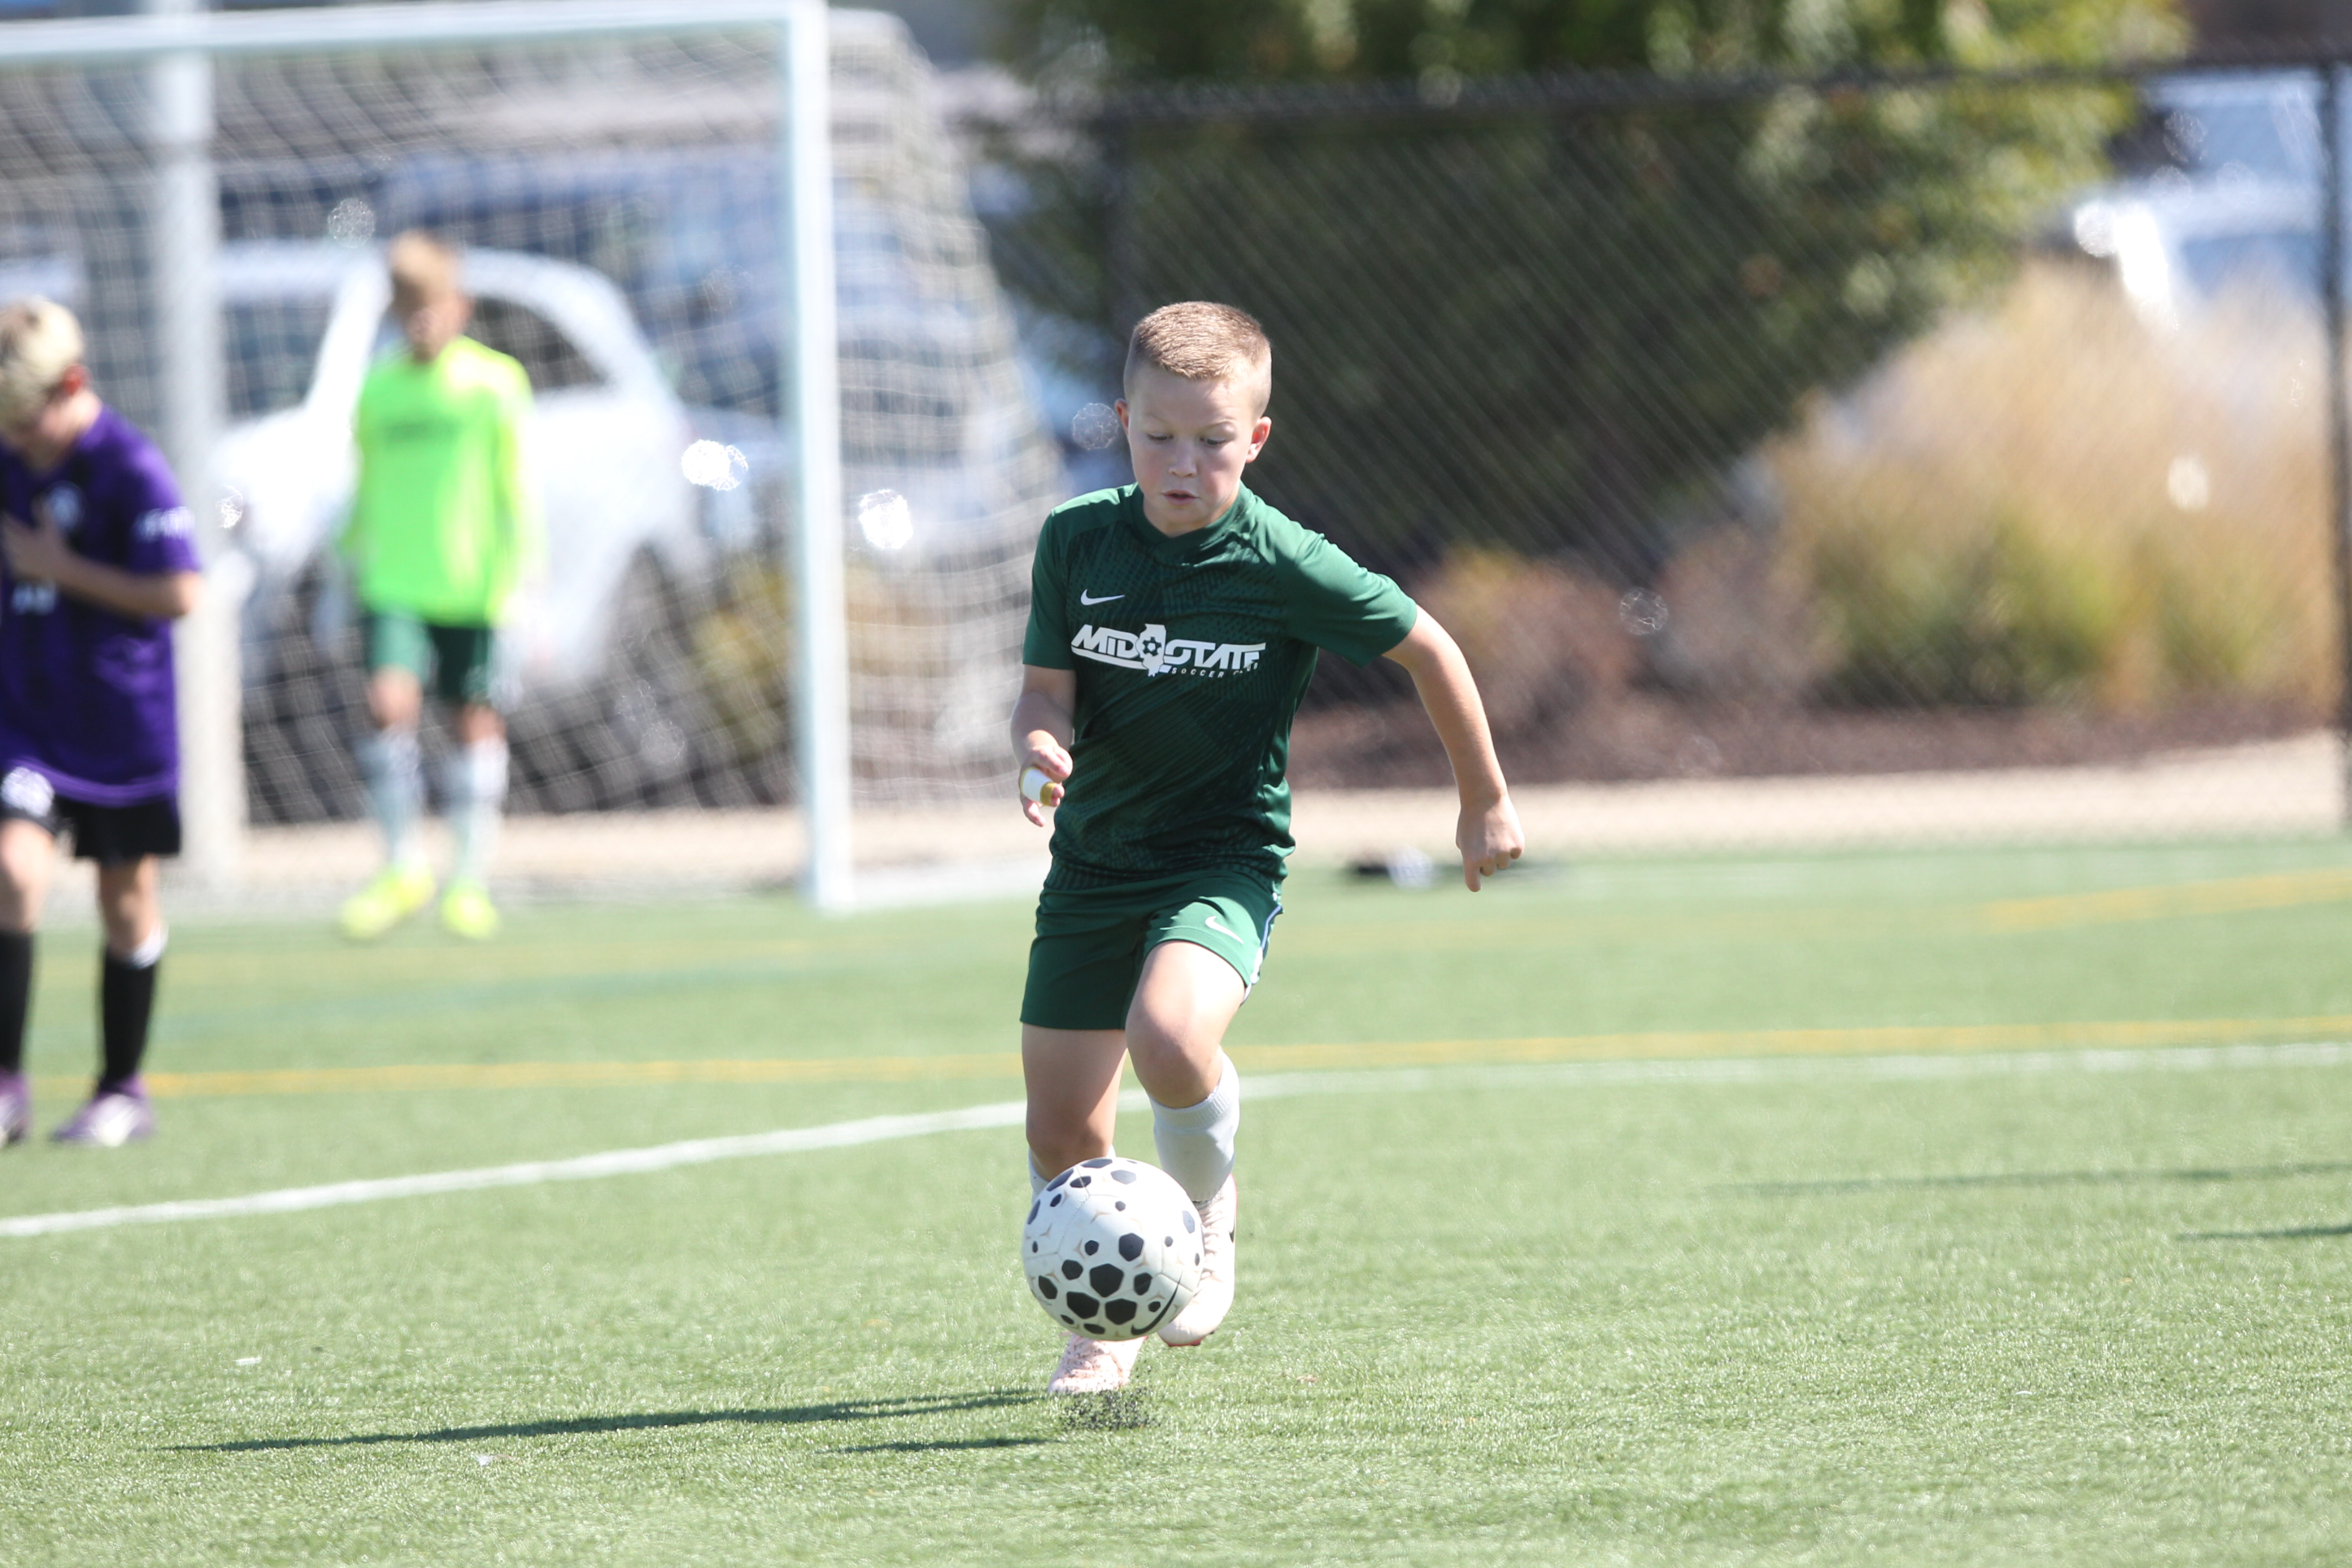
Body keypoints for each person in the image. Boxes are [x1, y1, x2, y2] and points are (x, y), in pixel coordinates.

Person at [1013, 302, 1524, 1393]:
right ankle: (1108, 1324)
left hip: (1221, 860)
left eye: (1211, 439)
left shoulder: (1283, 561)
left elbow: (1431, 650)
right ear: (1123, 424)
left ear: (1256, 438)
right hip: (1093, 866)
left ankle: (1205, 1214)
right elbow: (1045, 690)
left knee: (1168, 1035)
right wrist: (1041, 742)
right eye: (1159, 435)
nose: (1182, 462)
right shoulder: (1077, 540)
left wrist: (1482, 801)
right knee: (1060, 1133)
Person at [0, 298, 204, 1147]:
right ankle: (7, 1087)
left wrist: (63, 568)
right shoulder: (11, 457)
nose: (18, 440)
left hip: (121, 725)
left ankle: (122, 1088)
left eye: (26, 421)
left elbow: (181, 593)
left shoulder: (130, 468)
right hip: (28, 719)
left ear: (71, 385)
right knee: (13, 872)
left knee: (126, 902)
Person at [336, 230, 538, 943]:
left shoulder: (494, 384)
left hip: (474, 588)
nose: (422, 321)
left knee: (472, 723)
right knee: (387, 705)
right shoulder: (378, 390)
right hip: (394, 584)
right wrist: (342, 568)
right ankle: (402, 868)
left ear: (460, 306)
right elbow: (363, 489)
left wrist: (523, 583)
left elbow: (516, 487)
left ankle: (469, 882)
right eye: (409, 308)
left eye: (433, 306)